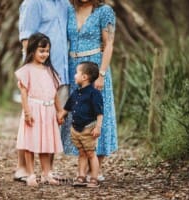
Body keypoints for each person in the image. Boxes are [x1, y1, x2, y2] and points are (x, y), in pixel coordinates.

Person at [61, 0, 118, 181]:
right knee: (79, 114)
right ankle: (83, 167)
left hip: (95, 69)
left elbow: (108, 44)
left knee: (98, 113)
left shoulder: (104, 11)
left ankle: (96, 168)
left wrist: (101, 73)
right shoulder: (69, 10)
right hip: (73, 69)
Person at [15, 0, 70, 182]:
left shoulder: (64, 4)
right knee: (31, 126)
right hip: (38, 73)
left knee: (52, 125)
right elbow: (26, 39)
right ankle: (23, 169)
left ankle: (48, 172)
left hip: (58, 72)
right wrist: (31, 70)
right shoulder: (33, 3)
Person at [58, 61, 103, 188]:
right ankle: (81, 176)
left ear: (84, 77)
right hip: (76, 129)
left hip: (88, 129)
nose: (74, 75)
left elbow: (100, 113)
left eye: (77, 73)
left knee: (91, 153)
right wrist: (61, 115)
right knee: (82, 153)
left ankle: (94, 178)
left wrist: (98, 127)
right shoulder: (76, 93)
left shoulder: (94, 94)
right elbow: (67, 107)